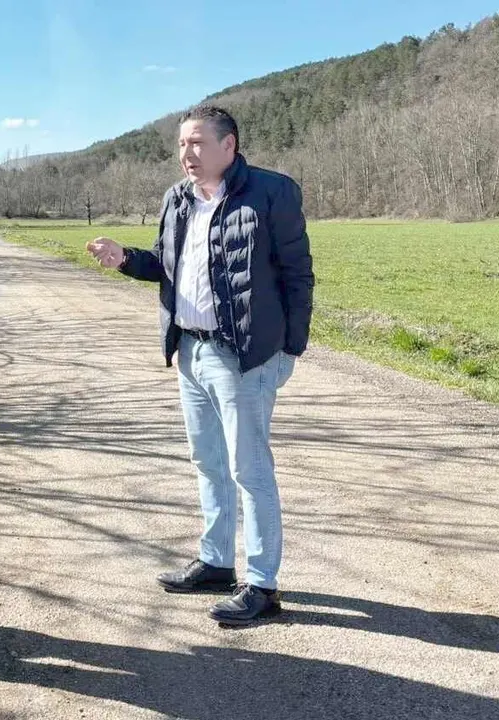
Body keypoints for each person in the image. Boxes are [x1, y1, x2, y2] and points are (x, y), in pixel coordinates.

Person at [87, 105, 314, 625]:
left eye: (197, 143)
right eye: (182, 145)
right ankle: (216, 562)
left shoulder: (272, 192)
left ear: (228, 145)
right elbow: (168, 267)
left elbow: (298, 274)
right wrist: (126, 259)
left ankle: (263, 584)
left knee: (249, 470)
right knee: (207, 462)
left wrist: (290, 349)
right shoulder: (178, 198)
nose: (187, 154)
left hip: (244, 356)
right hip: (190, 350)